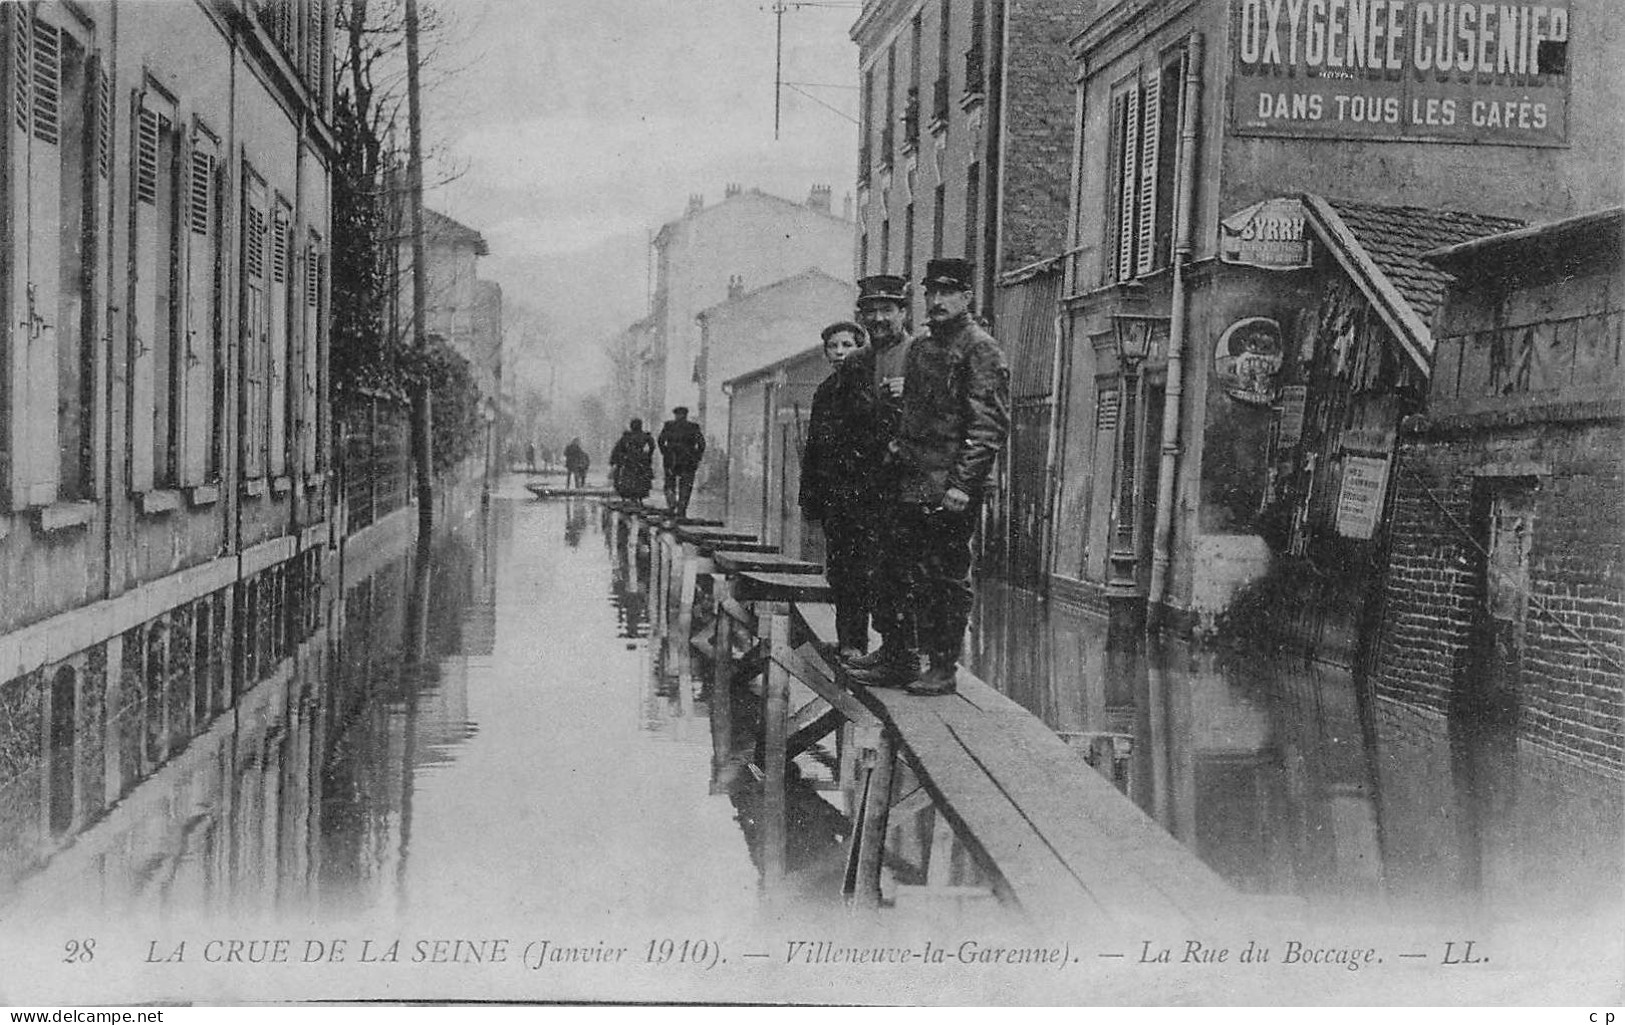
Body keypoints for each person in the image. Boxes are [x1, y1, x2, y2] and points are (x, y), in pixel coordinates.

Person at [860, 258, 1009, 697]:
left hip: (950, 488)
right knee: (898, 570)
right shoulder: (924, 348)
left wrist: (964, 484)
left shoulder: (980, 348)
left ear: (966, 297)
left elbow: (988, 427)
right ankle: (898, 655)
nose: (938, 301)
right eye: (932, 293)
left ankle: (943, 667)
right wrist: (897, 447)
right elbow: (920, 413)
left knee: (944, 576)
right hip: (912, 480)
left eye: (948, 293)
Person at [842, 274, 920, 683]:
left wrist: (911, 396)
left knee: (903, 569)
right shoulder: (857, 362)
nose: (877, 318)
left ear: (903, 312)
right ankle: (887, 646)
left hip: (906, 481)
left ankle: (904, 657)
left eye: (886, 310)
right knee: (875, 568)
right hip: (868, 481)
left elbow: (938, 414)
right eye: (870, 311)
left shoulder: (919, 355)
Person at [799, 320, 881, 661]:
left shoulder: (872, 386)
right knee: (840, 570)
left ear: (860, 348)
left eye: (847, 345)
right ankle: (849, 641)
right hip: (836, 497)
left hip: (868, 495)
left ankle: (874, 646)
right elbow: (815, 448)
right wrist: (811, 497)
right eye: (833, 347)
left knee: (867, 570)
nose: (840, 353)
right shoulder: (825, 391)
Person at [657, 406, 706, 517]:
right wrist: (696, 457)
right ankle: (681, 509)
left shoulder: (669, 426)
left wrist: (665, 453)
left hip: (672, 460)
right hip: (687, 461)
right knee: (686, 486)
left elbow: (661, 441)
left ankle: (672, 505)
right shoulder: (693, 427)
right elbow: (701, 444)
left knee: (670, 484)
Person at [609, 419, 656, 505]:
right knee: (635, 479)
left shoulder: (629, 436)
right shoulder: (642, 436)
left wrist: (616, 459)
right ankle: (635, 496)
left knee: (633, 480)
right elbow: (652, 446)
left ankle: (633, 496)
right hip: (635, 461)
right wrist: (647, 455)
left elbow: (617, 449)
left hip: (632, 461)